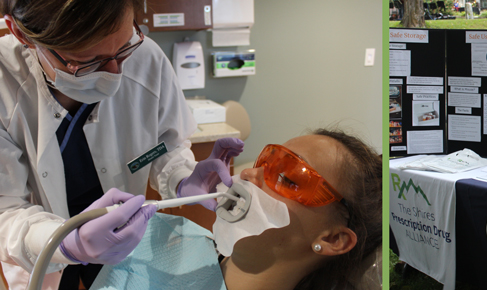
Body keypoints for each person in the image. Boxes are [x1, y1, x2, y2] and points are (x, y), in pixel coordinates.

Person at [0, 1, 239, 289]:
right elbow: (6, 211)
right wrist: (67, 244)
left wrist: (183, 177)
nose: (115, 72)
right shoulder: (4, 83)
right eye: (88, 61)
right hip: (42, 252)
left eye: (124, 47)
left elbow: (166, 144)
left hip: (125, 244)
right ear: (21, 34)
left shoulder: (147, 56)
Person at [87, 129, 383, 289]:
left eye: (287, 178)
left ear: (333, 239)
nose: (250, 175)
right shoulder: (157, 238)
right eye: (264, 161)